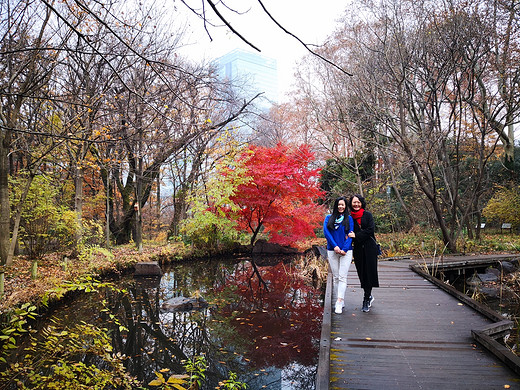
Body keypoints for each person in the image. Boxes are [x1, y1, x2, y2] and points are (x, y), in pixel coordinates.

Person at [347, 194, 379, 312]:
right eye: (354, 202)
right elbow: (347, 232)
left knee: (369, 273)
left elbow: (371, 230)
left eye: (358, 202)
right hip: (359, 249)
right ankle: (369, 295)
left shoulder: (367, 215)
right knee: (361, 273)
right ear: (351, 204)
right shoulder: (349, 218)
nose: (356, 204)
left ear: (362, 203)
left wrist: (357, 235)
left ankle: (366, 299)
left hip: (370, 248)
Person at [323, 196, 354, 314]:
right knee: (335, 277)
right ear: (335, 206)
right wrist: (335, 246)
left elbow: (350, 234)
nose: (340, 206)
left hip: (346, 252)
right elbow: (327, 233)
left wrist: (345, 249)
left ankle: (339, 302)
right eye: (338, 205)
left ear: (345, 206)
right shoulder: (328, 218)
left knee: (342, 277)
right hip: (332, 250)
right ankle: (339, 299)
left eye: (343, 205)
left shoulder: (349, 219)